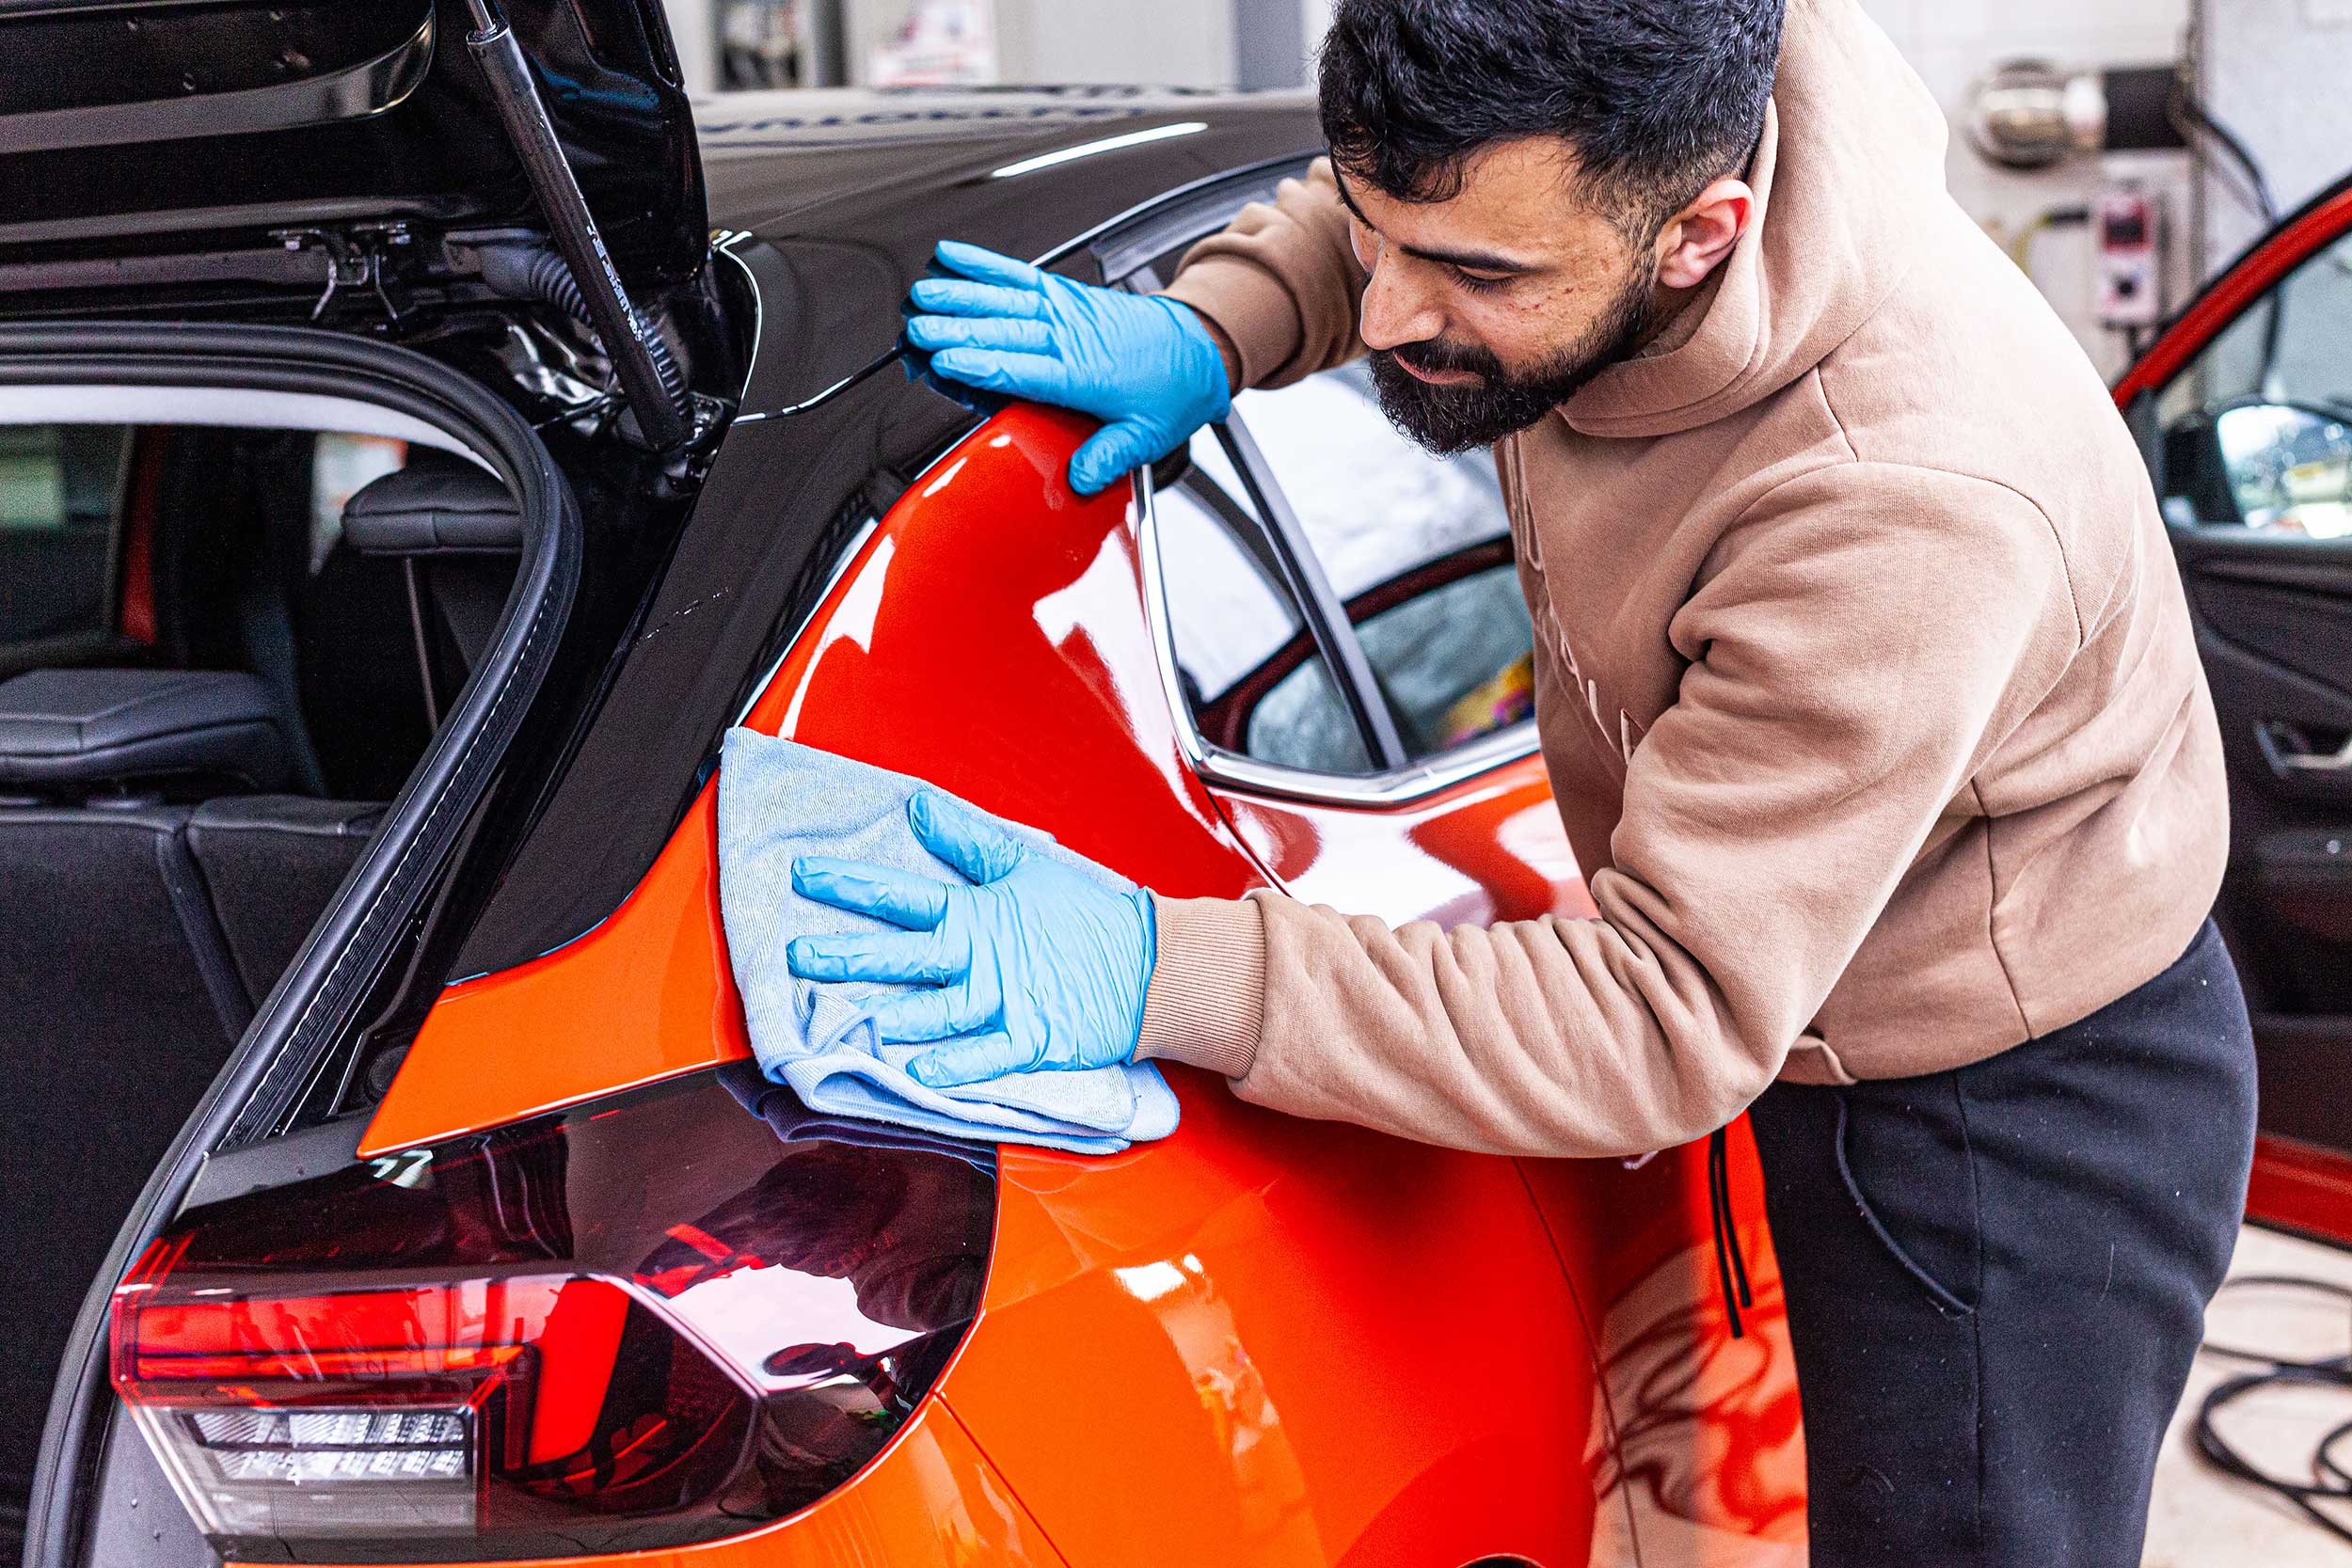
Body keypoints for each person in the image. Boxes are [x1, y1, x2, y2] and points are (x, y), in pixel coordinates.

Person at [783, 1, 2258, 1560]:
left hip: (2010, 1109)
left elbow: (1658, 1018)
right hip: (1819, 990)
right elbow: (1411, 228)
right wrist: (1225, 323)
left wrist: (1168, 963)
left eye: (1482, 279)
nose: (1398, 313)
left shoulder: (1899, 503)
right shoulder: (1616, 106)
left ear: (1702, 236)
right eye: (1376, 237)